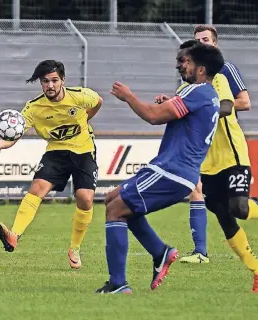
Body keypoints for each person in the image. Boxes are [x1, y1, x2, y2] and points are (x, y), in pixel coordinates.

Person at [95, 42, 224, 294]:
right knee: (112, 199)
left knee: (116, 210)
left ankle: (118, 284)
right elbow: (184, 116)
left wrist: (129, 97)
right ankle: (160, 252)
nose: (179, 65)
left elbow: (154, 116)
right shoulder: (204, 94)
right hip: (175, 170)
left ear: (200, 69)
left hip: (172, 170)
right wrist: (172, 101)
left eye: (184, 61)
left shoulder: (197, 91)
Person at [179, 25, 258, 264]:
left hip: (229, 149)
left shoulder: (225, 70)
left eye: (206, 40)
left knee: (237, 207)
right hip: (204, 150)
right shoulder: (191, 75)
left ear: (215, 43)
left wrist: (210, 107)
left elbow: (244, 103)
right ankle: (200, 252)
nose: (202, 44)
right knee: (202, 196)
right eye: (197, 41)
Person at [0, 60, 103, 269]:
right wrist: (3, 143)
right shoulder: (34, 107)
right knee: (37, 189)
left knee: (85, 199)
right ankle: (14, 235)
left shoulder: (79, 96)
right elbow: (18, 131)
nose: (50, 85)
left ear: (63, 81)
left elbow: (98, 102)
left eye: (54, 80)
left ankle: (75, 248)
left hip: (84, 150)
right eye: (45, 81)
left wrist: (85, 119)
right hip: (56, 151)